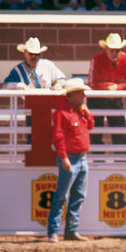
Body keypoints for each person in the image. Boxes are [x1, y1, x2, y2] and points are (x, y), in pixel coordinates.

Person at [47, 78, 95, 243]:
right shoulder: (62, 113)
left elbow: (90, 125)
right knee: (62, 195)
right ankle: (54, 231)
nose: (83, 96)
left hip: (81, 157)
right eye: (81, 93)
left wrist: (87, 112)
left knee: (78, 195)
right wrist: (64, 157)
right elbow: (58, 138)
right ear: (72, 95)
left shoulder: (77, 111)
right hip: (71, 158)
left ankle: (71, 230)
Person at [87, 33, 126, 146]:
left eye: (117, 50)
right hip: (96, 100)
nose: (114, 53)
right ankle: (98, 162)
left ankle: (121, 161)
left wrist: (118, 87)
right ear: (106, 49)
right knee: (96, 133)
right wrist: (108, 87)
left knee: (119, 133)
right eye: (112, 50)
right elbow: (91, 83)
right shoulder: (97, 59)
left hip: (115, 100)